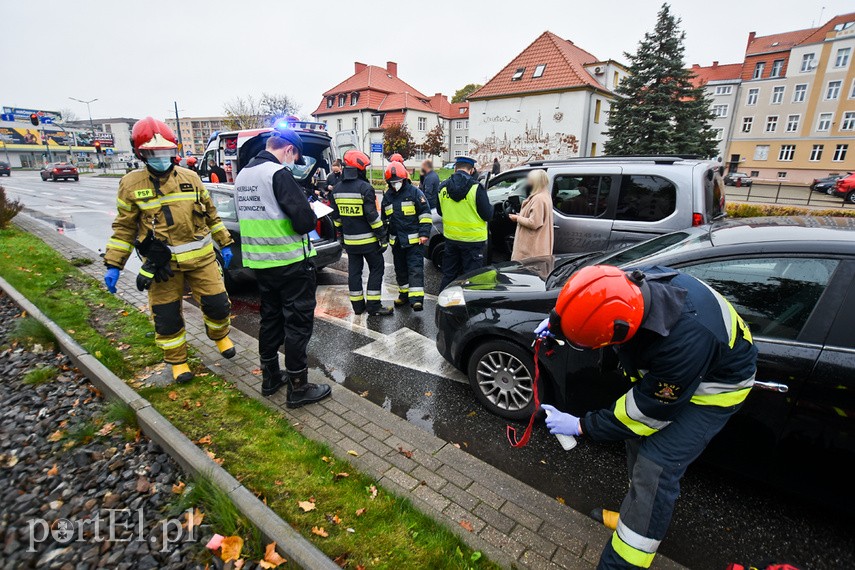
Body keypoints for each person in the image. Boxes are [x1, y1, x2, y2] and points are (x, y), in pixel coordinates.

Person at [538, 265, 758, 569]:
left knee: (655, 468)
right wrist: (560, 324)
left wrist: (579, 425)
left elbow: (646, 412)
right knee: (635, 442)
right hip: (684, 371)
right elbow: (589, 300)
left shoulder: (685, 342)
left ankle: (625, 559)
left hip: (715, 389)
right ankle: (636, 511)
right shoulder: (627, 287)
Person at [103, 117, 236, 384]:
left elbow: (210, 213)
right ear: (142, 154)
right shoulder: (131, 185)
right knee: (166, 316)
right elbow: (124, 228)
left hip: (202, 258)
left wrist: (225, 240)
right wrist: (114, 264)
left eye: (167, 152)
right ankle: (179, 362)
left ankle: (221, 337)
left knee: (218, 305)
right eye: (156, 153)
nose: (163, 158)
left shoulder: (190, 178)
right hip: (163, 266)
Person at [233, 127, 331, 407]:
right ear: (288, 150)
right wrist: (310, 211)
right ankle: (298, 387)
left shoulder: (244, 176)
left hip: (261, 263)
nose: (292, 162)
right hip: (290, 263)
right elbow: (303, 223)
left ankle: (270, 377)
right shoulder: (277, 174)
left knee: (271, 319)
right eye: (295, 156)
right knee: (297, 324)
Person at [329, 150, 393, 316]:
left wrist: (342, 236)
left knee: (354, 273)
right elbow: (372, 216)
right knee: (376, 269)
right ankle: (373, 306)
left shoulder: (336, 190)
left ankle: (358, 307)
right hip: (369, 242)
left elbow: (336, 218)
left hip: (350, 243)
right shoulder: (365, 188)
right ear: (360, 169)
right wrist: (382, 237)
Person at [436, 156, 492, 290]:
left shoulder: (442, 187)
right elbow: (487, 215)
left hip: (451, 239)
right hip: (473, 241)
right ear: (472, 170)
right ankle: (469, 308)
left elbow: (439, 211)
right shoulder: (476, 188)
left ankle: (444, 305)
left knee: (449, 275)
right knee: (472, 278)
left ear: (455, 168)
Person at [382, 162, 432, 311]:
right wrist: (384, 238)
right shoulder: (387, 197)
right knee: (400, 270)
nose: (395, 184)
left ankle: (416, 300)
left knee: (415, 269)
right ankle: (403, 295)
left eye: (397, 181)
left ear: (404, 179)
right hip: (397, 242)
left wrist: (424, 234)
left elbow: (425, 214)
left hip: (414, 241)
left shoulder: (415, 193)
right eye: (392, 182)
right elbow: (384, 220)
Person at [509, 169, 553, 261]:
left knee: (525, 271)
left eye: (530, 180)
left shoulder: (538, 199)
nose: (528, 182)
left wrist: (517, 218)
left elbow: (534, 222)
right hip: (536, 248)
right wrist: (521, 215)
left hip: (531, 249)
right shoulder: (544, 195)